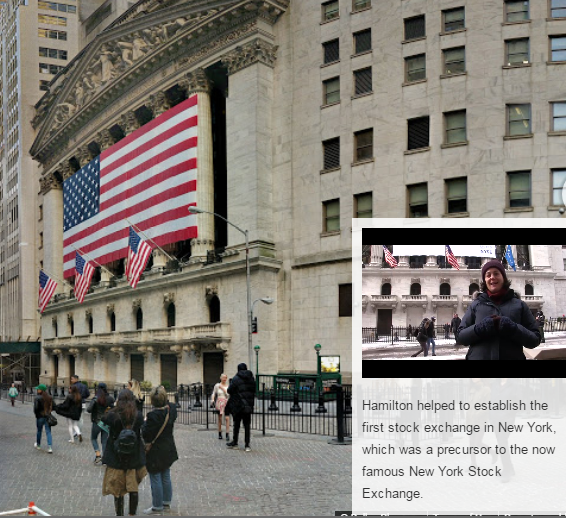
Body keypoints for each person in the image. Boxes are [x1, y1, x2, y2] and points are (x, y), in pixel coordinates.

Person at [457, 260, 541, 360]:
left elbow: (535, 339)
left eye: (496, 273)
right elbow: (460, 337)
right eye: (488, 275)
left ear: (503, 278)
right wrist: (480, 328)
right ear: (485, 281)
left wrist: (513, 328)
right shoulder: (476, 304)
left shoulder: (519, 305)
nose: (492, 277)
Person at [102, 390, 147, 516]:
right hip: (134, 455)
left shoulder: (112, 415)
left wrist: (111, 407)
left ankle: (120, 514)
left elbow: (102, 419)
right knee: (133, 488)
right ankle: (132, 514)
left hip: (116, 456)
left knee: (118, 490)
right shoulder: (137, 415)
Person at [141, 386, 178, 515]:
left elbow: (146, 435)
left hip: (156, 450)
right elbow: (170, 404)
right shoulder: (171, 409)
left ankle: (157, 506)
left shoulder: (152, 416)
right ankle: (166, 501)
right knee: (166, 474)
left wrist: (145, 422)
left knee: (155, 476)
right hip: (168, 447)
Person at [226, 363, 256, 452]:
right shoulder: (251, 378)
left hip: (238, 405)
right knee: (247, 425)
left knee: (237, 424)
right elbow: (254, 390)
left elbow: (229, 390)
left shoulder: (236, 378)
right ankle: (247, 445)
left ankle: (235, 442)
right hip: (248, 405)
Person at [88, 382, 115, 464]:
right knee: (104, 441)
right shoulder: (110, 399)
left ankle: (98, 455)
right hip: (106, 423)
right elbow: (113, 409)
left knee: (93, 438)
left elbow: (89, 409)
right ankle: (105, 458)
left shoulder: (96, 399)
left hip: (97, 421)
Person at [33, 384, 53, 453]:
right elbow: (53, 406)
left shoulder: (37, 398)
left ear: (41, 390)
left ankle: (38, 445)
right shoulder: (49, 397)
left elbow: (35, 408)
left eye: (38, 389)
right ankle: (50, 447)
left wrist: (37, 415)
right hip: (47, 416)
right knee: (48, 432)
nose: (37, 390)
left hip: (40, 416)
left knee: (39, 431)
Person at [211, 373, 230, 441]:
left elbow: (228, 395)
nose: (224, 379)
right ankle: (219, 432)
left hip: (226, 402)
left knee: (227, 418)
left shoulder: (228, 386)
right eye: (223, 377)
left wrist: (223, 389)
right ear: (220, 378)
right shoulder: (217, 385)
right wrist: (212, 399)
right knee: (220, 418)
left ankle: (227, 433)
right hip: (219, 402)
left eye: (225, 378)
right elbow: (214, 393)